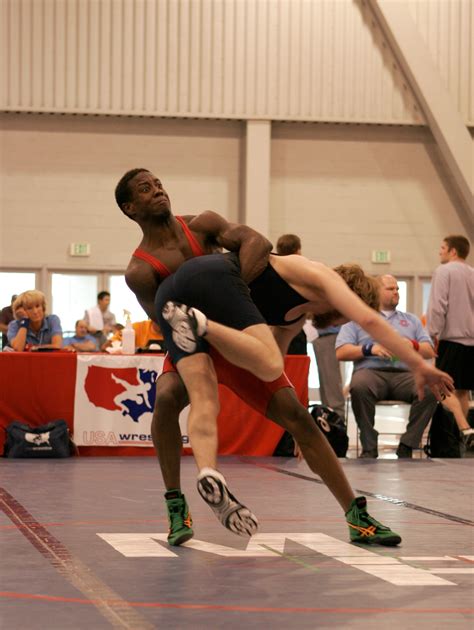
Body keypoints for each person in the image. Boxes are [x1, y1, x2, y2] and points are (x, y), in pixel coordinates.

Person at [116, 167, 453, 548]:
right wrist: (228, 296)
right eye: (146, 189)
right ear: (130, 208)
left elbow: (256, 242)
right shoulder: (141, 270)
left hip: (236, 330)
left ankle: (356, 514)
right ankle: (176, 503)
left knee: (296, 416)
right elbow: (161, 319)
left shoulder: (203, 224)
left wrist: (233, 297)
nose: (158, 190)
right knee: (166, 399)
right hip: (195, 333)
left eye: (159, 183)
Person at [335, 275, 437, 458]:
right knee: (358, 385)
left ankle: (408, 443)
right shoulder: (360, 319)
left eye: (397, 288)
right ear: (376, 291)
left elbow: (429, 350)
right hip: (371, 373)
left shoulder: (411, 321)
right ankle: (369, 445)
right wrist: (369, 349)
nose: (396, 292)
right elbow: (341, 352)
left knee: (430, 389)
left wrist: (412, 345)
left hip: (405, 375)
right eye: (391, 289)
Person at [427, 235, 474, 447]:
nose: (440, 252)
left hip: (452, 338)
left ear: (453, 251)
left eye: (442, 248)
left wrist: (432, 333)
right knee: (462, 390)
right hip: (471, 341)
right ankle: (460, 439)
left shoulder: (444, 271)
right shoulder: (472, 273)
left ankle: (464, 427)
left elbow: (438, 304)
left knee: (442, 388)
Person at [276, 234, 307, 355]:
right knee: (296, 370)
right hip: (294, 326)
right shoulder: (302, 271)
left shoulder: (270, 268)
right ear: (298, 250)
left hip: (273, 326)